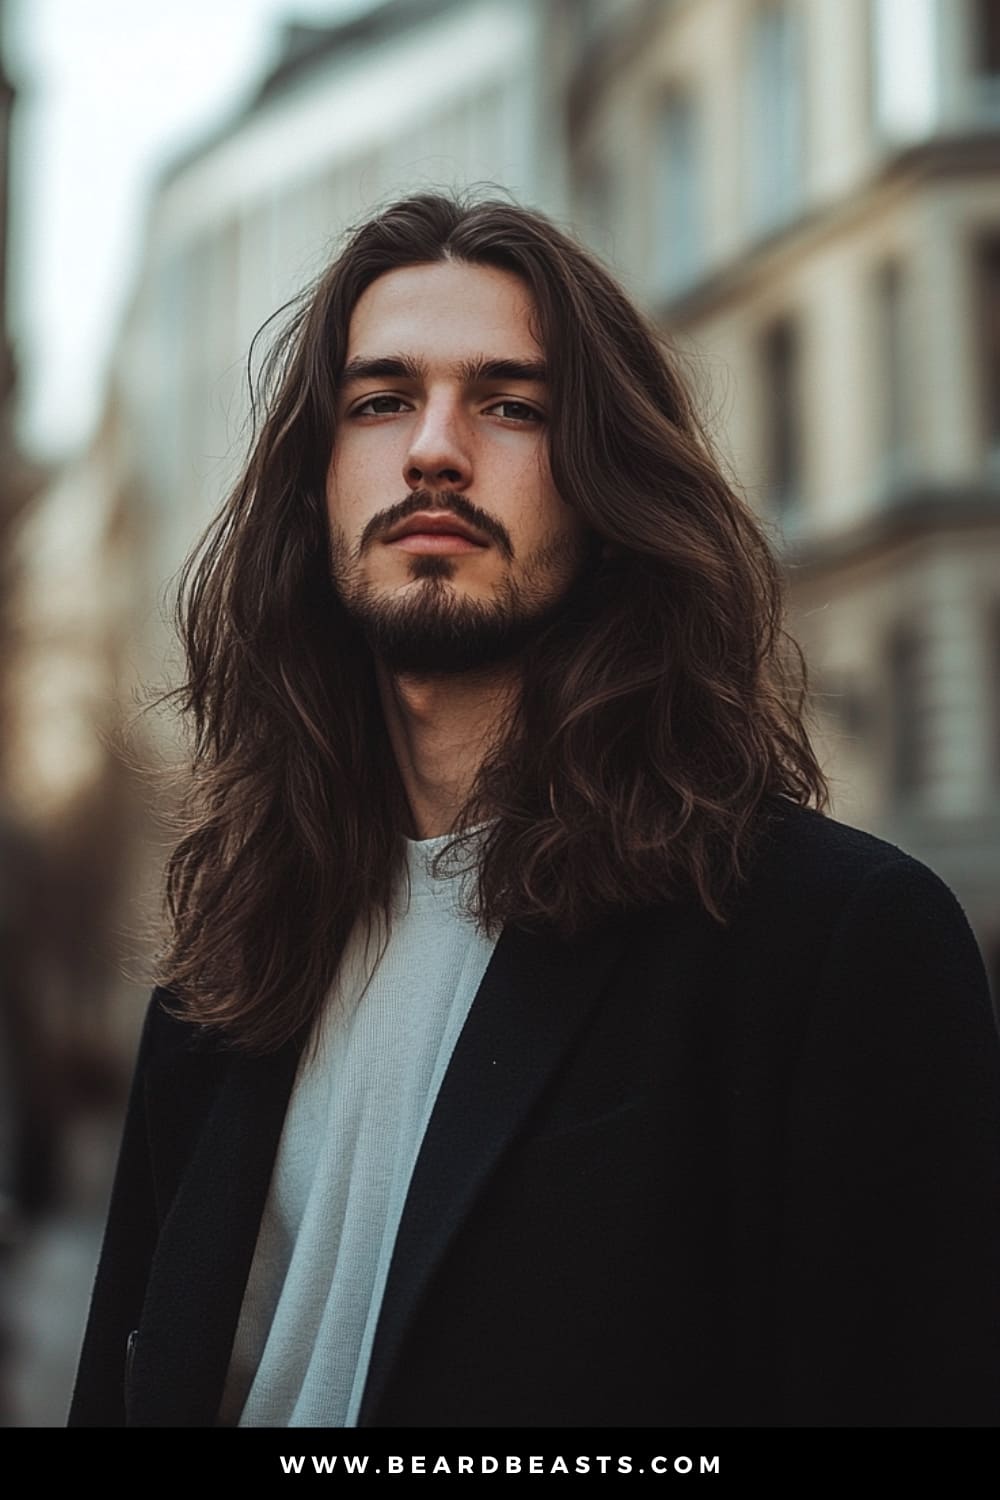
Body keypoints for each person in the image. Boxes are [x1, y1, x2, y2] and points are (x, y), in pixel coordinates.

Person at [69, 193, 1000, 1429]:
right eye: (380, 400)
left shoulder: (833, 943)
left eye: (511, 405)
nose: (435, 450)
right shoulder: (226, 971)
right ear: (315, 490)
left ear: (607, 494)